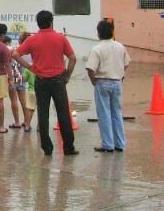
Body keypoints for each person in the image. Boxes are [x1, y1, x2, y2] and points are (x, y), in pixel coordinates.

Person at [13, 11, 78, 156]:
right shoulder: (60, 38)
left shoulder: (32, 40)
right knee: (63, 114)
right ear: (51, 21)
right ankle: (68, 148)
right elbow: (73, 58)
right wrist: (67, 76)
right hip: (58, 80)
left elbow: (15, 54)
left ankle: (47, 148)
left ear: (38, 23)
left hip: (41, 81)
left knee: (43, 113)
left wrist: (30, 67)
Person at [86, 20, 131, 153]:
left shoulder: (97, 48)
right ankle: (120, 144)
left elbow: (90, 69)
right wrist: (120, 74)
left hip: (102, 82)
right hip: (117, 82)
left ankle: (108, 144)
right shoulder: (120, 47)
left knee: (104, 114)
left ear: (98, 34)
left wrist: (93, 81)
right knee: (117, 113)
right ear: (112, 32)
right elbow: (126, 63)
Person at [2, 36, 26, 130]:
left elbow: (5, 65)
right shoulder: (17, 50)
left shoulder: (4, 51)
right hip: (20, 77)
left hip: (11, 78)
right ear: (10, 42)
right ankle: (26, 121)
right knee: (23, 101)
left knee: (14, 100)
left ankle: (17, 122)